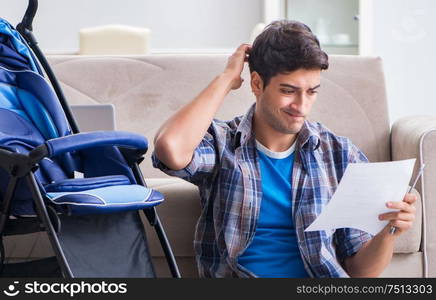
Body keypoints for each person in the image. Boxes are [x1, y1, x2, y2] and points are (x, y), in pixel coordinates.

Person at [152, 20, 417, 278]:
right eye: (289, 91)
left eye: (312, 91)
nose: (301, 106)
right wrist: (226, 79)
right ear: (257, 84)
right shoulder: (224, 144)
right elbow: (170, 149)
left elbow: (362, 273)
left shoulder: (340, 155)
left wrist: (389, 231)